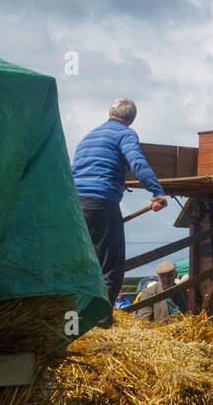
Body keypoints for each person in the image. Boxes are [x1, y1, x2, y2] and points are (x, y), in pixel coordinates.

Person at [71, 99, 168, 325]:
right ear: (131, 119)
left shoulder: (89, 137)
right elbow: (137, 162)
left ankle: (75, 321)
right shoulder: (125, 134)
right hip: (102, 202)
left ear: (109, 113)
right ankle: (101, 325)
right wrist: (157, 192)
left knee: (86, 264)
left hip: (75, 205)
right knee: (111, 268)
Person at [137, 259, 187, 324]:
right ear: (158, 277)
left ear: (175, 275)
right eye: (163, 276)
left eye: (170, 275)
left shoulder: (182, 291)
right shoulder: (149, 293)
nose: (166, 279)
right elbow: (145, 321)